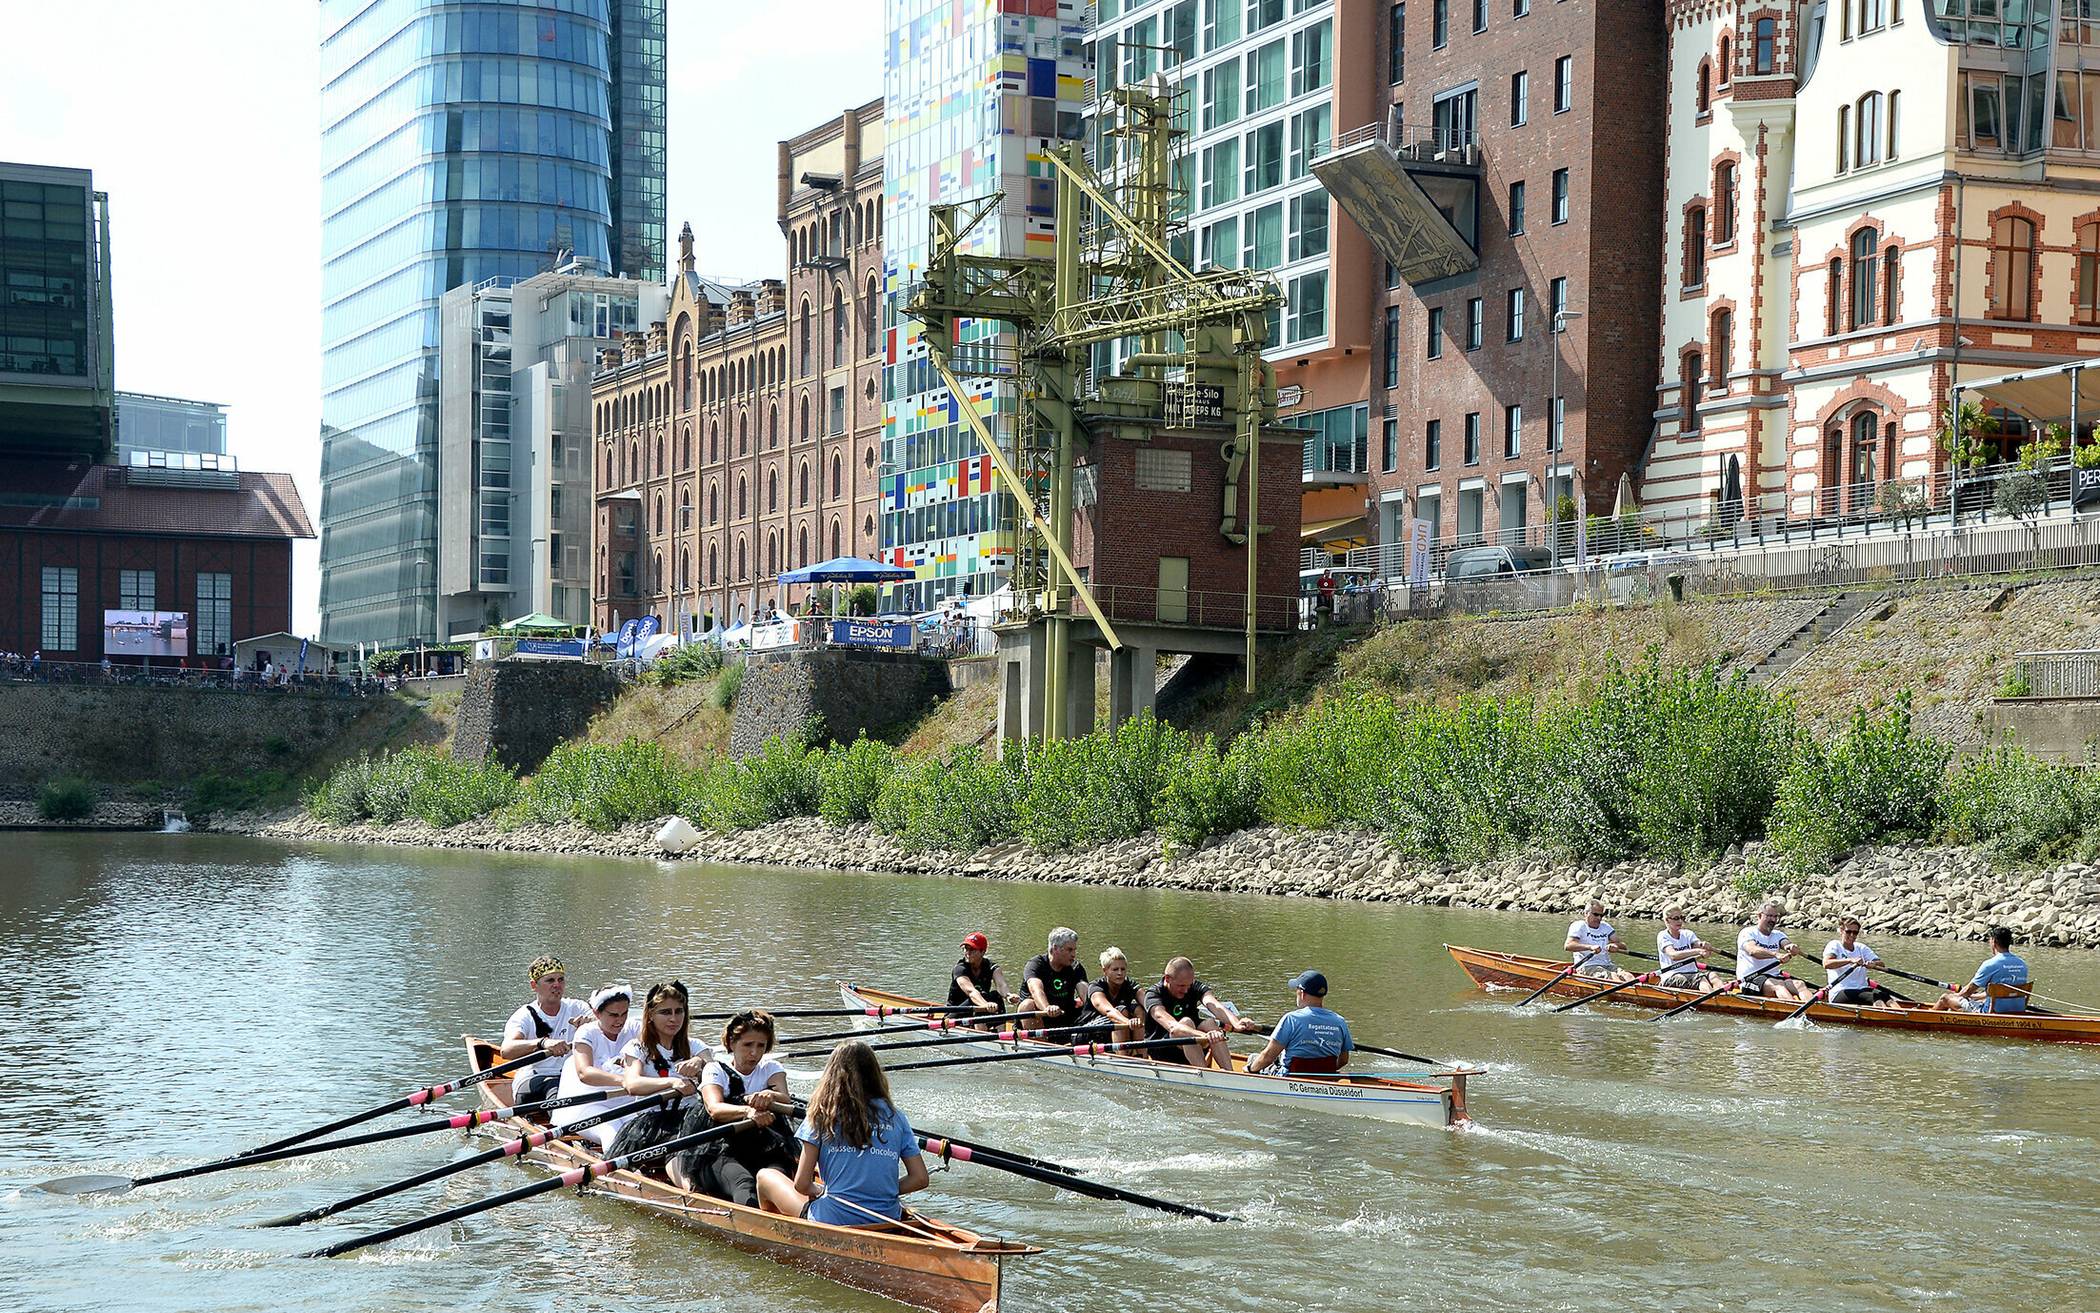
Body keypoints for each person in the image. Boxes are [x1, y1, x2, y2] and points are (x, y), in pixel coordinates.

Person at [755, 1041, 929, 1227]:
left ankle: (776, 1234)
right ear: (876, 1075)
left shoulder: (821, 1114)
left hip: (832, 1218)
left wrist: (819, 1190)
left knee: (765, 1177)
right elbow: (919, 1179)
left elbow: (802, 1184)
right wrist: (881, 1193)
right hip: (886, 1218)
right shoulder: (896, 1116)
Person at [667, 1010, 796, 1203]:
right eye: (747, 1045)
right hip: (720, 1148)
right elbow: (715, 1109)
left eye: (761, 1046)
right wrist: (748, 1111)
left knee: (778, 1179)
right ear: (731, 1043)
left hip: (766, 1146)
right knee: (745, 1184)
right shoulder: (715, 1069)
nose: (754, 1053)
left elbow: (784, 1099)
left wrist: (771, 1095)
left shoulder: (771, 1069)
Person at [605, 981, 703, 1158]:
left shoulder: (695, 1047)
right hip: (653, 1122)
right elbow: (632, 1084)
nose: (674, 1019)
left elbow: (714, 1068)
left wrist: (699, 1063)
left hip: (692, 1117)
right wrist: (673, 1082)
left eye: (679, 1011)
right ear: (650, 1015)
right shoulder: (637, 1048)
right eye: (665, 1012)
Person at [551, 984, 639, 1144]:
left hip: (627, 1101)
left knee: (645, 1134)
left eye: (624, 1013)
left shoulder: (634, 1028)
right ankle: (615, 1165)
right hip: (589, 1104)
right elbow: (585, 1073)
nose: (620, 1021)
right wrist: (625, 1081)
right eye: (613, 1015)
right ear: (596, 1013)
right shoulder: (586, 1033)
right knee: (612, 1135)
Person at [499, 955, 592, 1105]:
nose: (557, 985)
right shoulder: (525, 1015)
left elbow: (608, 1023)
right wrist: (543, 1043)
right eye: (550, 980)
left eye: (561, 979)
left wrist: (592, 1025)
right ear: (534, 986)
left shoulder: (578, 1008)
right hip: (533, 1079)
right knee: (556, 1089)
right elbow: (507, 1050)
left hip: (571, 1076)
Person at [1143, 957, 1258, 1068]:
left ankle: (1230, 1073)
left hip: (1194, 1045)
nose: (1186, 990)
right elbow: (1173, 1027)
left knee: (1210, 1023)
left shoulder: (1194, 986)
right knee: (1186, 1022)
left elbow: (1216, 1006)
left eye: (1189, 985)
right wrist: (1205, 1036)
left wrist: (1236, 1024)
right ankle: (1204, 1074)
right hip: (1163, 1050)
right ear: (1167, 979)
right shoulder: (1153, 994)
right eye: (1181, 986)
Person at [1245, 971, 1353, 1076]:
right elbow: (1343, 1060)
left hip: (1290, 1076)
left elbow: (1268, 1056)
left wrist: (1250, 1069)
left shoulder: (1292, 1019)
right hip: (1325, 1077)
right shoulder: (1340, 1021)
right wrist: (1319, 1072)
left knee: (1253, 1058)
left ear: (1302, 993)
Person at [1936, 927, 2031, 1013]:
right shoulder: (2022, 964)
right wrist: (1973, 997)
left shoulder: (1990, 964)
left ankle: (1925, 1019)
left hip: (1992, 1011)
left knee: (1945, 998)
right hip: (2018, 1009)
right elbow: (2005, 991)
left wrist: (1956, 996)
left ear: (1993, 941)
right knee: (1975, 999)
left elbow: (1968, 991)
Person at [1736, 901, 1816, 1002]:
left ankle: (1814, 1010)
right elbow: (1753, 951)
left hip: (1774, 976)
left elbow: (1786, 944)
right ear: (1760, 915)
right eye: (1769, 916)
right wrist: (1775, 955)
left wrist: (1791, 947)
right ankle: (1796, 1014)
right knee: (1779, 986)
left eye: (1775, 916)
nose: (1773, 920)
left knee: (1799, 984)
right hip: (1750, 979)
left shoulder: (1778, 935)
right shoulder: (1747, 932)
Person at [1018, 927, 1089, 1032]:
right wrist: (1047, 1008)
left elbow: (1085, 993)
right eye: (1069, 950)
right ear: (1055, 948)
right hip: (1041, 1018)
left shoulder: (1075, 967)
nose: (1074, 955)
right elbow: (1036, 990)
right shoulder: (1035, 965)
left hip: (1065, 1017)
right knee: (1027, 1005)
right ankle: (1042, 1046)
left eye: (1074, 950)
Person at [1823, 915, 1897, 1007]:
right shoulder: (1834, 945)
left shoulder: (1861, 948)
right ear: (1841, 931)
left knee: (1884, 995)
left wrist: (1873, 964)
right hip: (1840, 992)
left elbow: (1881, 964)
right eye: (1848, 932)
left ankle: (1904, 1015)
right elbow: (1826, 964)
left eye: (1855, 933)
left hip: (1862, 989)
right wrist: (1850, 960)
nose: (1852, 935)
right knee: (1873, 997)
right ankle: (1888, 1016)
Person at [1654, 906, 1729, 994]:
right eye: (1676, 918)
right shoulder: (1663, 936)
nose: (1680, 921)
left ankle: (1725, 998)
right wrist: (1698, 951)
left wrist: (1703, 946)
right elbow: (1673, 955)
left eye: (1682, 918)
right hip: (1671, 976)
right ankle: (1714, 1001)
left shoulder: (1687, 934)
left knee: (1713, 975)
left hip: (1693, 973)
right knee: (1700, 979)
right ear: (1667, 920)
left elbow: (1697, 944)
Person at [1081, 947, 1145, 1043]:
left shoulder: (1129, 985)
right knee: (1121, 1011)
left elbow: (1147, 1002)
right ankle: (1123, 1056)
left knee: (1138, 1009)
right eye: (1115, 969)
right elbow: (1109, 1011)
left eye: (1123, 969)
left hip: (1111, 1030)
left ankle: (1140, 1054)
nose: (1120, 973)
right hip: (1086, 1032)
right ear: (1105, 970)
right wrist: (1128, 1022)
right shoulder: (1095, 987)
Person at [947, 932, 1016, 1015]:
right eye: (966, 948)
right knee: (978, 998)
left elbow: (1001, 985)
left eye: (972, 949)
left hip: (977, 1009)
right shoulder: (960, 969)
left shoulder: (991, 967)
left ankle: (1001, 1027)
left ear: (983, 952)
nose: (968, 953)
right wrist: (985, 1005)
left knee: (995, 996)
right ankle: (980, 1027)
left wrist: (1008, 995)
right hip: (956, 1013)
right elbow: (971, 992)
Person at [1565, 900, 1632, 981]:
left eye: (1601, 915)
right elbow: (1568, 946)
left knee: (1627, 975)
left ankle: (1638, 990)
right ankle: (1626, 992)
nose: (1599, 918)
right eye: (1596, 914)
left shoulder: (1606, 927)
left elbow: (1623, 946)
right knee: (1612, 976)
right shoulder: (1579, 926)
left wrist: (1616, 946)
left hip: (1607, 964)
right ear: (1586, 913)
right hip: (1587, 966)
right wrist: (1590, 947)